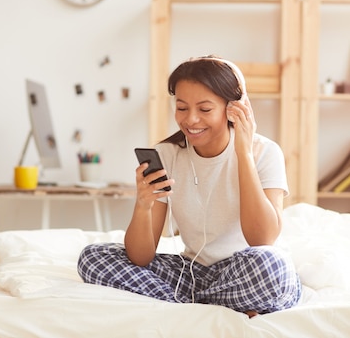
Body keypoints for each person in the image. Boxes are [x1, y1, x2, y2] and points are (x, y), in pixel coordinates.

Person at [78, 55, 301, 316]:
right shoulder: (167, 154)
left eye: (204, 110)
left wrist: (244, 154)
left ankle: (183, 303)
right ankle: (208, 305)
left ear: (234, 107)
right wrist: (143, 205)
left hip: (246, 269)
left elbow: (262, 239)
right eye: (182, 108)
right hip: (190, 272)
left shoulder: (264, 152)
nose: (191, 120)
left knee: (273, 268)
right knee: (93, 258)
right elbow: (140, 258)